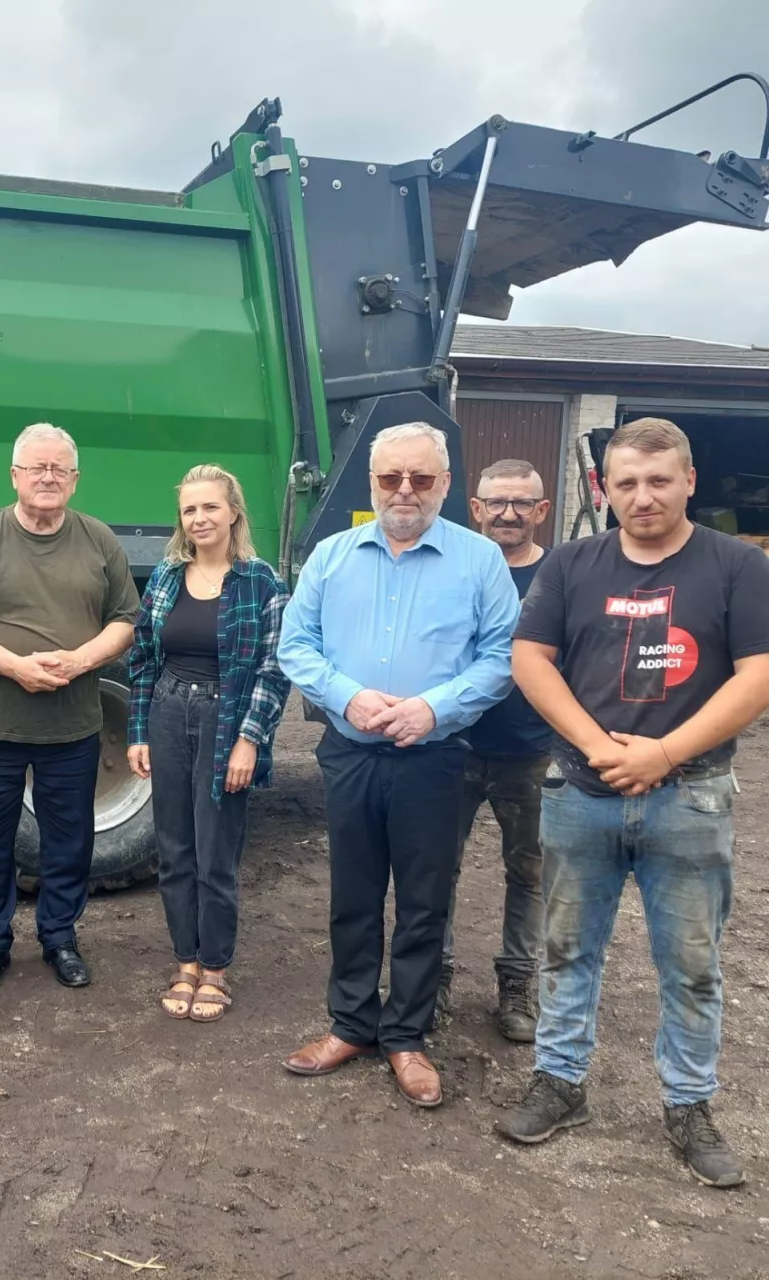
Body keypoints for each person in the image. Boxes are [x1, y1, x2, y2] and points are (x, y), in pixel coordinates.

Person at [497, 418, 769, 1189]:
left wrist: (663, 753)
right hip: (581, 796)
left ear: (688, 480)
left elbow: (759, 674)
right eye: (626, 483)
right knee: (566, 952)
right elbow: (530, 659)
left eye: (658, 480)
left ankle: (688, 1105)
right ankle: (560, 1083)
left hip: (691, 796)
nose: (642, 496)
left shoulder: (738, 567)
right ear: (604, 488)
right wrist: (596, 747)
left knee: (691, 965)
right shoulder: (574, 564)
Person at [277, 422, 519, 1108]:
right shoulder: (331, 556)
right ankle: (351, 1024)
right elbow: (297, 645)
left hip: (434, 758)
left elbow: (503, 657)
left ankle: (406, 1037)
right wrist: (346, 698)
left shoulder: (479, 562)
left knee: (422, 904)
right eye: (391, 478)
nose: (405, 490)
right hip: (351, 753)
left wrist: (432, 709)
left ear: (446, 483)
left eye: (421, 478)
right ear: (372, 483)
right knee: (352, 897)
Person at [0, 423, 140, 996]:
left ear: (74, 480)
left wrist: (77, 663)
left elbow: (125, 620)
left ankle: (60, 938)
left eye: (60, 469)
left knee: (69, 841)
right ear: (15, 476)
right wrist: (14, 667)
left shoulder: (99, 540)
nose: (48, 477)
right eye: (36, 467)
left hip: (72, 728)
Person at [126, 464, 291, 1023]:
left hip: (227, 716)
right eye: (190, 509)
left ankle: (216, 969)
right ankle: (185, 962)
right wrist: (138, 731)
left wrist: (250, 740)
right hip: (170, 712)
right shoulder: (168, 577)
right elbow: (144, 657)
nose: (199, 518)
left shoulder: (260, 581)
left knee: (215, 853)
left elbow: (274, 669)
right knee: (173, 850)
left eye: (210, 507)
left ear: (233, 513)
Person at [437, 459, 553, 1042]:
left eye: (522, 503)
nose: (509, 514)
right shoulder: (451, 567)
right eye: (497, 502)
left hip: (528, 752)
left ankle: (516, 985)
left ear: (542, 511)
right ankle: (434, 980)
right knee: (437, 869)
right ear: (476, 508)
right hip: (450, 746)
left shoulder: (559, 576)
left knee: (528, 874)